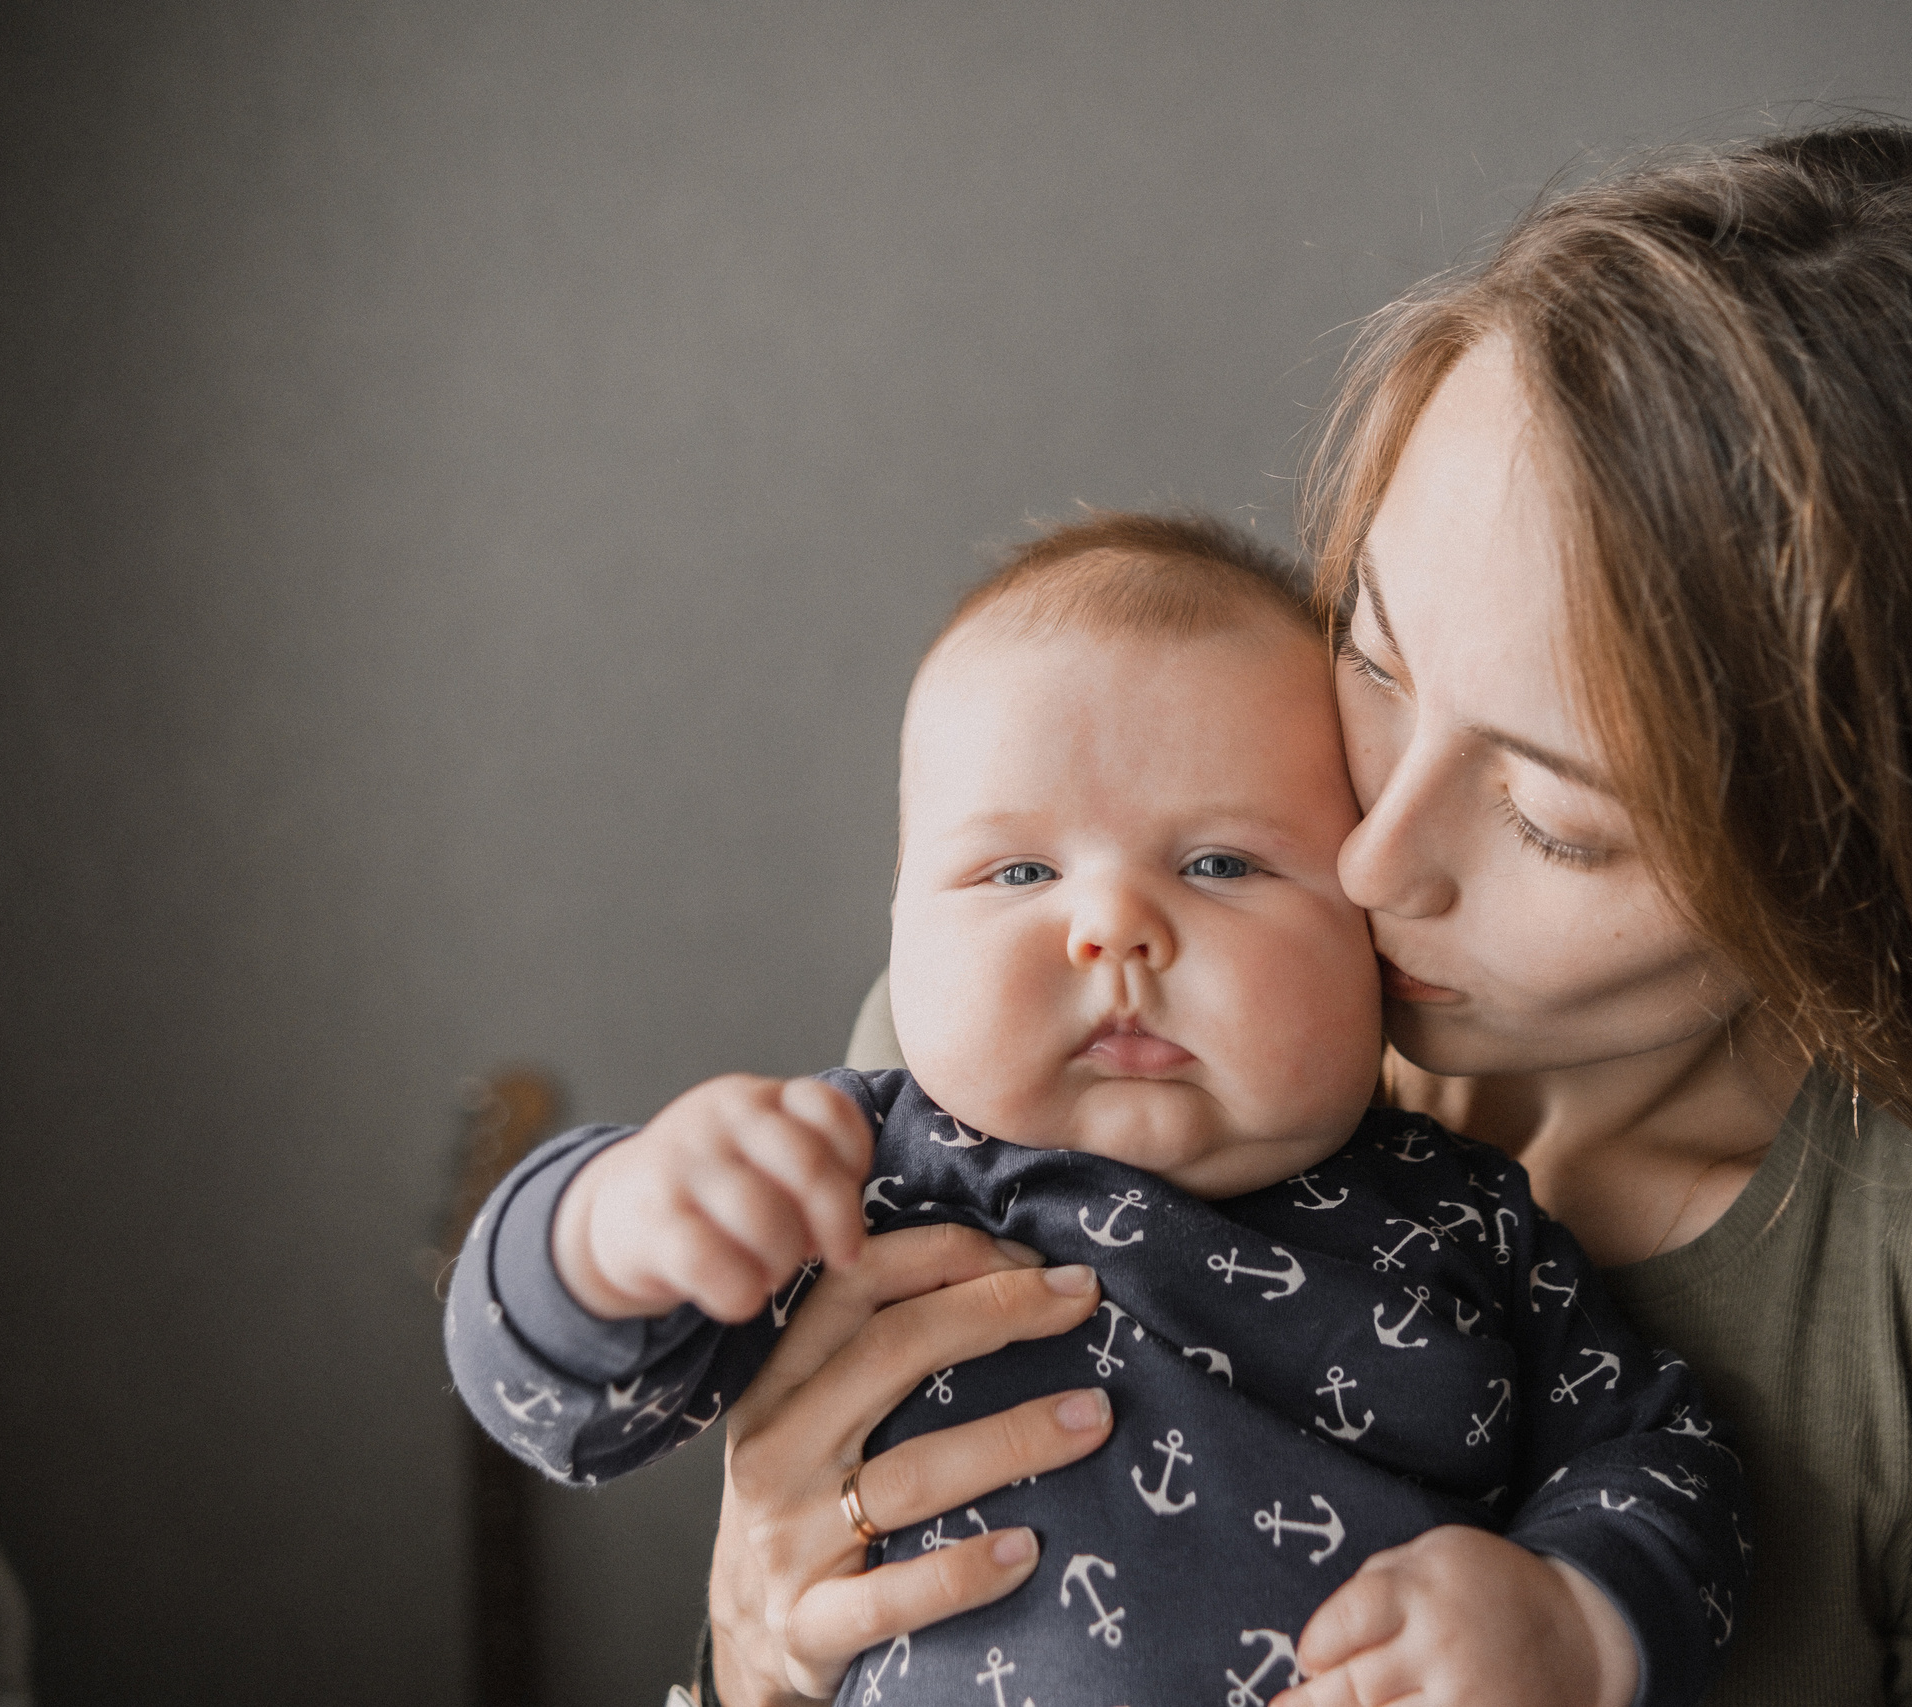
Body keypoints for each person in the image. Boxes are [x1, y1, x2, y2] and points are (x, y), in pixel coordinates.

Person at [695, 124, 1912, 1707]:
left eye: (1557, 817)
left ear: (1890, 863)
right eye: (1376, 660)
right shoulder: (1053, 1021)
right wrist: (754, 1661)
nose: (1375, 856)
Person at [446, 513, 1750, 1707]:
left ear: (1372, 930)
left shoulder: (1469, 1220)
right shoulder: (855, 1175)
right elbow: (565, 1414)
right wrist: (609, 1231)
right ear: (899, 924)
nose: (1116, 926)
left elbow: (1662, 1457)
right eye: (1018, 869)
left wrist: (1573, 1627)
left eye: (1221, 863)